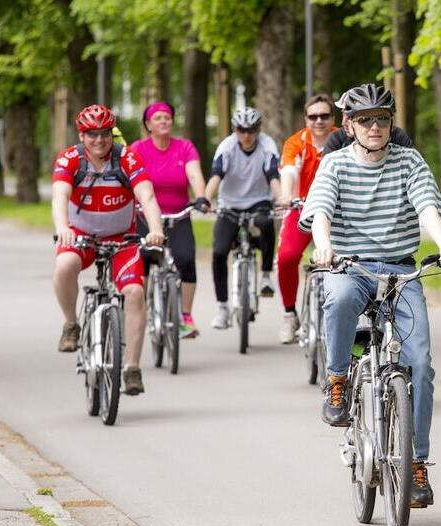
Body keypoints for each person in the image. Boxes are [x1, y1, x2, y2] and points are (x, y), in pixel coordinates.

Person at [300, 84, 441, 508]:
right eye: (365, 120)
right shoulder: (335, 163)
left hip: (400, 269)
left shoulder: (409, 160)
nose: (375, 127)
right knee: (338, 300)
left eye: (382, 119)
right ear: (349, 126)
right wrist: (324, 246)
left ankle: (416, 463)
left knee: (420, 364)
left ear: (392, 123)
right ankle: (337, 379)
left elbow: (426, 206)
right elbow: (321, 211)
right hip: (349, 265)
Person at [52, 104, 164, 395]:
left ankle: (132, 368)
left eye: (104, 134)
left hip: (121, 239)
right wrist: (63, 228)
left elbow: (147, 196)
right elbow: (59, 195)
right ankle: (71, 323)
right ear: (81, 135)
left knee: (135, 292)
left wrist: (155, 230)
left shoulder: (127, 157)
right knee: (64, 266)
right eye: (92, 134)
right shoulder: (70, 158)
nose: (99, 140)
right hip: (81, 236)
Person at [131, 101, 210, 338]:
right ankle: (140, 311)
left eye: (167, 117)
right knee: (143, 259)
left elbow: (194, 175)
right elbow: (130, 178)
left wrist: (201, 197)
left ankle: (185, 316)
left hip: (178, 215)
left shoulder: (184, 147)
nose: (164, 121)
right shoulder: (138, 149)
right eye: (158, 118)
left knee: (185, 258)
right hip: (145, 216)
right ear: (148, 125)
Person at [205, 107, 282, 329]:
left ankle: (265, 275)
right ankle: (223, 308)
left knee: (266, 223)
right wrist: (206, 198)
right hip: (230, 204)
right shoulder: (227, 147)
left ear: (258, 130)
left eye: (251, 130)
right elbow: (216, 175)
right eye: (241, 130)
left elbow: (272, 175)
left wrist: (281, 199)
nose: (246, 135)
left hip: (259, 200)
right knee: (219, 252)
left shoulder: (267, 145)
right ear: (234, 130)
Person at [276, 93, 337, 343]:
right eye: (313, 116)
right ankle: (290, 314)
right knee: (287, 257)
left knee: (348, 259)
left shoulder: (343, 139)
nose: (318, 121)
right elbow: (289, 170)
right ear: (306, 119)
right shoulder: (296, 142)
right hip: (301, 208)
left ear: (333, 119)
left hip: (336, 212)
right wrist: (286, 194)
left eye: (324, 116)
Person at [324, 86, 415, 153]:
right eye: (343, 114)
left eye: (364, 119)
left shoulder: (397, 136)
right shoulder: (336, 139)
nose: (343, 122)